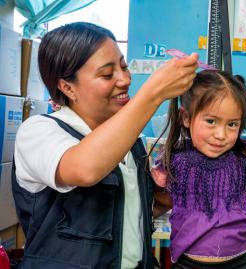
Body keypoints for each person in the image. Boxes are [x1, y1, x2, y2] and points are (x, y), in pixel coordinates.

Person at [12, 22, 198, 269]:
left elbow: (125, 215)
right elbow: (85, 169)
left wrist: (166, 195)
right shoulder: (38, 131)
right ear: (67, 87)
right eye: (107, 74)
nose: (124, 79)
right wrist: (154, 93)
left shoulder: (130, 140)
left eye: (124, 66)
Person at [150, 70, 246, 268]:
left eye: (232, 124)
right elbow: (160, 200)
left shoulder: (245, 154)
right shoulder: (173, 158)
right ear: (186, 117)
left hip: (240, 261)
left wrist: (245, 212)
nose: (221, 134)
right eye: (211, 121)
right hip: (188, 262)